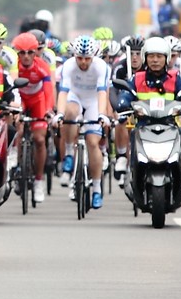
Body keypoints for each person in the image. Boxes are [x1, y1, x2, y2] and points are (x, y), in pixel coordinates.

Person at [115, 37, 181, 176]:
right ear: (145, 58)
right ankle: (134, 173)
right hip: (144, 124)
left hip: (170, 124)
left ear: (167, 58)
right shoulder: (137, 78)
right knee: (134, 133)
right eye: (151, 56)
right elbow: (126, 92)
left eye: (159, 56)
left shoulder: (176, 78)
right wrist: (123, 102)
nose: (155, 60)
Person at [56, 36, 113, 209]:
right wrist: (59, 114)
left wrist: (102, 115)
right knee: (70, 112)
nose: (83, 62)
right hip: (75, 97)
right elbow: (63, 92)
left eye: (87, 58)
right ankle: (69, 153)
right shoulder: (68, 66)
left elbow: (102, 92)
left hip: (94, 101)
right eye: (79, 58)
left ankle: (96, 189)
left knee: (92, 143)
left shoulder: (101, 66)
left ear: (93, 56)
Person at [12, 32, 54, 203]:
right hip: (21, 100)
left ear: (36, 51)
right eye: (22, 53)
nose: (26, 56)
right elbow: (11, 88)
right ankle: (16, 165)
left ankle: (38, 181)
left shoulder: (42, 66)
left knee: (39, 139)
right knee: (19, 130)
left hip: (38, 101)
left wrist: (49, 110)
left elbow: (49, 91)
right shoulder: (14, 66)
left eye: (30, 52)